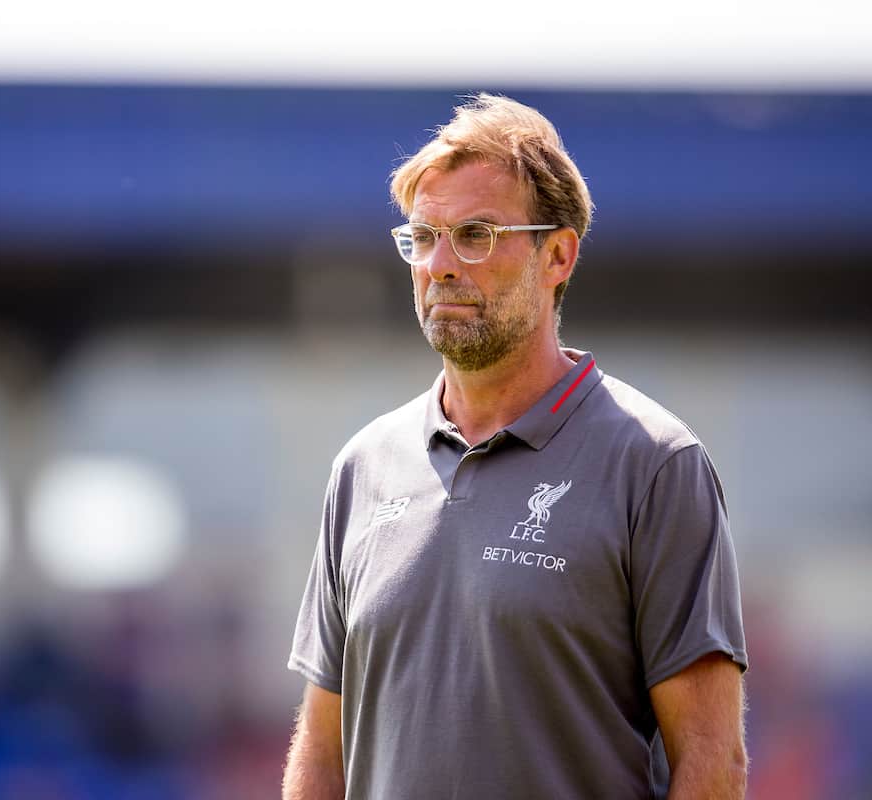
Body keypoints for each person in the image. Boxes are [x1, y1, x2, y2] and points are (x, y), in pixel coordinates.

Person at [283, 94, 748, 799]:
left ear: (557, 254)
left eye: (475, 234)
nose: (440, 264)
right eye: (423, 235)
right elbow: (321, 750)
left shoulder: (654, 464)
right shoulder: (363, 467)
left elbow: (713, 765)